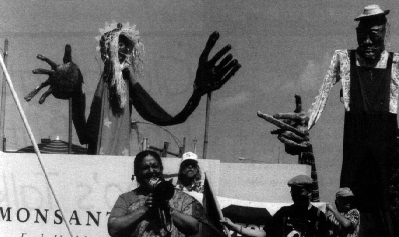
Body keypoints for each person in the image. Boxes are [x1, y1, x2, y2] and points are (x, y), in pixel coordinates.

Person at [261, 5, 399, 237]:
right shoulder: (343, 59)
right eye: (363, 35)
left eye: (374, 35)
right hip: (355, 137)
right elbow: (321, 97)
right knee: (349, 196)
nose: (368, 42)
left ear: (385, 32)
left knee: (382, 202)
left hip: (384, 138)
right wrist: (306, 122)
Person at [28, 21, 241, 155]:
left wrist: (196, 94)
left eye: (125, 45)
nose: (120, 48)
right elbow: (87, 135)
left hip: (116, 164)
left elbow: (164, 117)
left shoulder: (128, 83)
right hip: (96, 164)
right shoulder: (103, 86)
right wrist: (72, 88)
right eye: (116, 43)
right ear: (104, 49)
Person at [108, 150, 204, 237]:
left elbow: (193, 226)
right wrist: (143, 210)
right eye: (145, 168)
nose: (151, 171)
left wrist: (168, 209)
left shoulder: (180, 198)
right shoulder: (127, 198)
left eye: (155, 166)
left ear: (161, 169)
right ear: (136, 172)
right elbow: (113, 228)